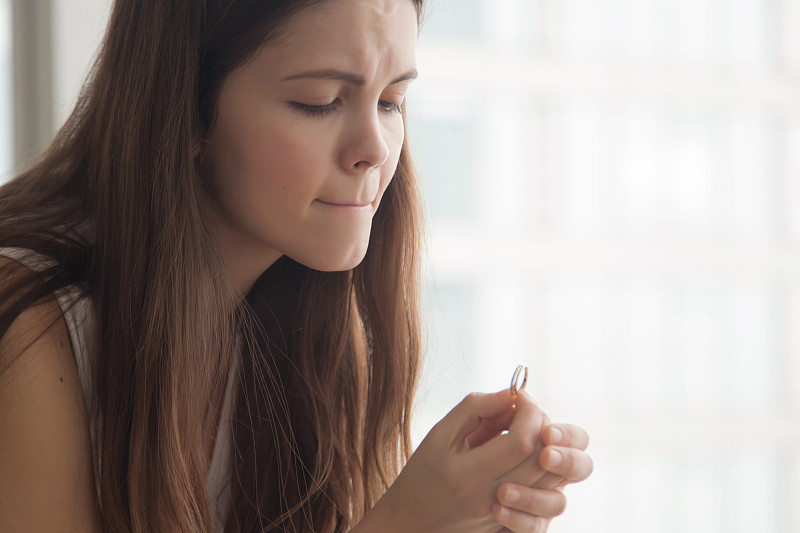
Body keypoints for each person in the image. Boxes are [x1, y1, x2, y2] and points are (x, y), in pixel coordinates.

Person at [0, 1, 593, 532]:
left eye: (392, 102)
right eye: (321, 102)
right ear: (184, 109)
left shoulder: (316, 330)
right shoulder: (31, 326)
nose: (376, 149)